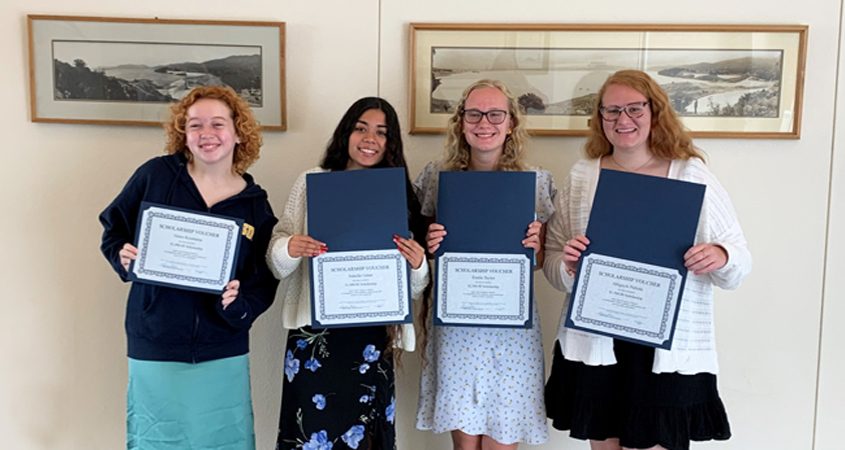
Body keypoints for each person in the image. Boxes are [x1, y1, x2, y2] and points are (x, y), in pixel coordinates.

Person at [543, 69, 752, 450]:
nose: (623, 120)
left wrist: (720, 255)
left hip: (663, 352)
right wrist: (568, 264)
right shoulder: (582, 177)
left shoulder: (691, 175)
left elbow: (739, 260)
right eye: (611, 111)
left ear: (655, 111)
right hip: (598, 346)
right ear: (600, 118)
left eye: (635, 108)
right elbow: (554, 262)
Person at [99, 85, 279, 449]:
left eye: (217, 123)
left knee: (224, 439)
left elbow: (263, 278)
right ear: (183, 133)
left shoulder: (255, 204)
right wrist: (123, 255)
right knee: (157, 439)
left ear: (238, 131)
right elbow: (113, 228)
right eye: (195, 125)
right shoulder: (156, 176)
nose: (206, 134)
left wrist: (239, 303)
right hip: (156, 339)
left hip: (222, 347)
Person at [266, 97, 430, 450]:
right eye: (361, 128)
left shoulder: (397, 192)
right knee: (311, 435)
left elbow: (414, 288)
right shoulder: (312, 181)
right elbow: (276, 260)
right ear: (346, 132)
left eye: (381, 133)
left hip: (372, 338)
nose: (370, 138)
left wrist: (418, 264)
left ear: (391, 143)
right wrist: (291, 247)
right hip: (316, 337)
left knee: (367, 439)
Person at [414, 79, 556, 449]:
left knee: (502, 442)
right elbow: (418, 251)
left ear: (511, 123)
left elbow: (540, 262)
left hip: (511, 330)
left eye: (496, 114)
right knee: (465, 446)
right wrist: (430, 246)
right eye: (474, 113)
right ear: (461, 121)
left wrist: (537, 248)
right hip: (456, 327)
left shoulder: (536, 182)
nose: (484, 123)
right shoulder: (436, 178)